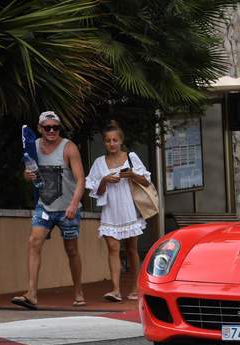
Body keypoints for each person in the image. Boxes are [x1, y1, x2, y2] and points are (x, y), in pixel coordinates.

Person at [11, 111, 86, 309]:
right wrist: (28, 176)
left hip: (67, 208)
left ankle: (78, 292)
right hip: (44, 206)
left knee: (71, 249)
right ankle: (32, 294)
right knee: (34, 242)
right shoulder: (33, 147)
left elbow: (81, 180)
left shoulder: (68, 147)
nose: (52, 131)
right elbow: (29, 173)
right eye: (47, 127)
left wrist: (73, 204)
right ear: (40, 129)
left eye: (56, 127)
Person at [85, 121, 151, 302]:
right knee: (113, 249)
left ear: (121, 140)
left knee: (131, 249)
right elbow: (96, 192)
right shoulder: (99, 163)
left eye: (115, 140)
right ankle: (115, 290)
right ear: (104, 142)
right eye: (108, 141)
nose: (111, 143)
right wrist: (104, 180)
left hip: (129, 208)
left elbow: (146, 182)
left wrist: (132, 174)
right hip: (110, 210)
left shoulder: (131, 157)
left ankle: (135, 288)